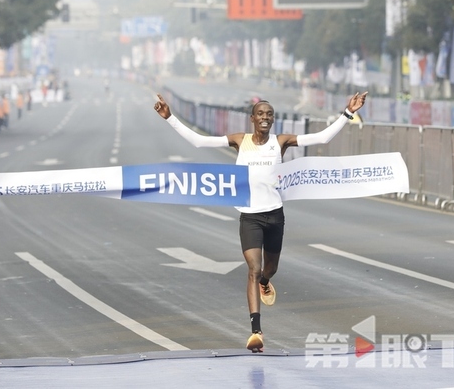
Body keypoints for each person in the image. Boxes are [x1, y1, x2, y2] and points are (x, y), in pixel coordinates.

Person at [154, 91, 368, 353]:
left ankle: (266, 282)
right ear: (252, 119)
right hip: (250, 216)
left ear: (273, 120)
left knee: (270, 269)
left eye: (269, 115)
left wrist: (348, 112)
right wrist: (169, 118)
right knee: (253, 270)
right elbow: (199, 141)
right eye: (261, 114)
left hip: (275, 215)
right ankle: (256, 331)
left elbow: (321, 137)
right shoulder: (239, 141)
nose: (265, 118)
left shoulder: (280, 142)